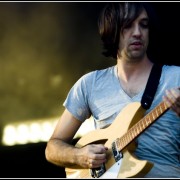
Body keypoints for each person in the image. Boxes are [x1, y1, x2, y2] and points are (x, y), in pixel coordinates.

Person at [45, 2, 180, 178]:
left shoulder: (176, 78)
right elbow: (53, 147)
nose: (138, 32)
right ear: (112, 30)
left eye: (144, 25)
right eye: (128, 25)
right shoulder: (89, 84)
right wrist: (80, 156)